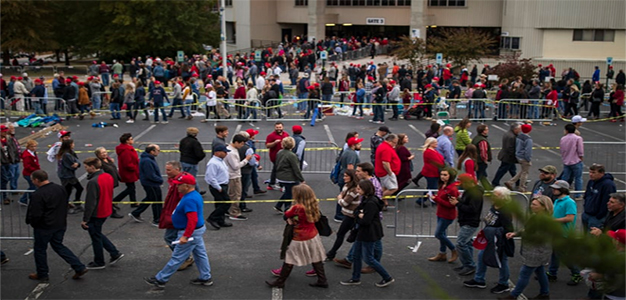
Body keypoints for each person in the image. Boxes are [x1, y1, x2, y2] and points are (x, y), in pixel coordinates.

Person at [145, 173, 214, 289]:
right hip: (196, 231)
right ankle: (205, 277)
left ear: (186, 186)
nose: (177, 187)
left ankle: (161, 279)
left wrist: (186, 236)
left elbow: (192, 219)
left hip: (189, 232)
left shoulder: (189, 199)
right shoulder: (194, 195)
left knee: (178, 257)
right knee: (200, 254)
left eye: (179, 185)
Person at [25, 170, 88, 281]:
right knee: (58, 245)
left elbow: (36, 213)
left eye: (32, 180)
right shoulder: (60, 188)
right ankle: (78, 266)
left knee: (40, 250)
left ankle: (42, 273)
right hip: (59, 223)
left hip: (44, 226)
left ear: (36, 180)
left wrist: (33, 223)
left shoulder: (38, 194)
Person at [266, 184, 328, 289]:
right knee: (315, 257)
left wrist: (289, 218)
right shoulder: (313, 204)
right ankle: (322, 279)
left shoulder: (297, 207)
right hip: (313, 235)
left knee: (289, 259)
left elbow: (286, 214)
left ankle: (280, 281)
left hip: (300, 236)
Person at [340, 179, 395, 288]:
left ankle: (387, 277)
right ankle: (355, 278)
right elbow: (357, 211)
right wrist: (359, 214)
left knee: (368, 258)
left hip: (369, 233)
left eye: (359, 188)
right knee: (356, 255)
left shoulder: (370, 203)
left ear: (365, 190)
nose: (357, 190)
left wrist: (359, 216)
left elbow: (366, 221)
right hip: (365, 232)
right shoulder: (367, 199)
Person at [501, 195, 554, 300]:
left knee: (525, 273)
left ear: (544, 207)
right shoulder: (536, 216)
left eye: (534, 204)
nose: (531, 206)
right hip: (536, 250)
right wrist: (515, 233)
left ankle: (513, 296)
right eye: (532, 204)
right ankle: (545, 293)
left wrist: (522, 234)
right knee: (540, 271)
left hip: (537, 251)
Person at [463, 187, 514, 294]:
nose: (493, 197)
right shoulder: (494, 206)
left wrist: (493, 231)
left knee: (502, 261)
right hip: (489, 239)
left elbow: (508, 228)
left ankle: (504, 283)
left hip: (500, 241)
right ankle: (479, 279)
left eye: (496, 195)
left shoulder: (505, 211)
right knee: (481, 256)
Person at [81, 158, 124, 270]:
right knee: (97, 233)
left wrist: (85, 219)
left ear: (92, 167)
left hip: (97, 212)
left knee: (95, 236)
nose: (85, 169)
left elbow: (91, 202)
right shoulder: (107, 176)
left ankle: (99, 261)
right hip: (106, 209)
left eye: (86, 167)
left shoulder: (93, 182)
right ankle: (114, 252)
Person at [159, 161, 194, 270]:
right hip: (174, 215)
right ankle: (185, 257)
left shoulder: (179, 185)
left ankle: (184, 258)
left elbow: (183, 202)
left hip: (176, 217)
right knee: (173, 237)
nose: (166, 172)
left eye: (169, 170)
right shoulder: (176, 182)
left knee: (169, 237)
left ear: (177, 170)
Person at [546, 180, 581, 286]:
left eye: (556, 188)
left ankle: (576, 273)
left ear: (563, 190)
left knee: (564, 255)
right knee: (555, 254)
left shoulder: (569, 202)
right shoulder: (557, 200)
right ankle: (552, 273)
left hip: (564, 234)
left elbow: (570, 218)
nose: (553, 190)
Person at [451, 174, 484, 276]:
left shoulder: (475, 194)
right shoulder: (470, 191)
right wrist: (459, 201)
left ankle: (469, 265)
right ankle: (467, 264)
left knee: (461, 243)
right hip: (466, 221)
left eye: (462, 184)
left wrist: (457, 203)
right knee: (467, 242)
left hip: (470, 222)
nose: (461, 186)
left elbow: (472, 209)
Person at [326, 169, 361, 261]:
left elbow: (344, 202)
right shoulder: (346, 186)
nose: (344, 178)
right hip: (348, 214)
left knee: (341, 234)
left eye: (346, 176)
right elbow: (342, 195)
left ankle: (332, 253)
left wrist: (340, 199)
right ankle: (333, 253)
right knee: (347, 234)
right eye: (344, 176)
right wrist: (341, 198)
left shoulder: (354, 190)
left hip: (351, 216)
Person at [427, 168, 460, 263]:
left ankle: (453, 249)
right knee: (442, 233)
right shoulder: (443, 185)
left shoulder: (451, 189)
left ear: (450, 176)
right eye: (441, 174)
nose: (442, 176)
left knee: (438, 234)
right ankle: (442, 253)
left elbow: (451, 205)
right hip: (440, 213)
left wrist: (436, 199)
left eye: (445, 175)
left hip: (447, 215)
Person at [129, 144, 163, 226]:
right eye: (158, 150)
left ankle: (136, 213)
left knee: (150, 198)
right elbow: (150, 175)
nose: (159, 152)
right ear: (152, 151)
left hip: (150, 183)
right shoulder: (147, 161)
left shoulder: (148, 159)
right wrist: (160, 180)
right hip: (151, 183)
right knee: (156, 201)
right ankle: (156, 220)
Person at [224, 134, 252, 221]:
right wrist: (246, 159)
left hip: (233, 175)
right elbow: (235, 166)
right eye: (241, 144)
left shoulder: (232, 149)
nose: (242, 146)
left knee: (233, 194)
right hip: (234, 176)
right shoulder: (231, 153)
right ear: (236, 142)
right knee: (236, 195)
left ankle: (230, 210)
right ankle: (234, 212)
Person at [274, 137, 305, 213]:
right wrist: (301, 179)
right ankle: (287, 209)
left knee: (288, 192)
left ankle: (279, 205)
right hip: (289, 178)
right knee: (290, 194)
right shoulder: (292, 155)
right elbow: (296, 169)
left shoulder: (279, 152)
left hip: (280, 176)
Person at [205, 145, 233, 230]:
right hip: (218, 186)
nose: (226, 154)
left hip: (223, 184)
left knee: (219, 203)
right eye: (224, 152)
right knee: (226, 203)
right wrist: (218, 187)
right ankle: (212, 218)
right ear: (217, 153)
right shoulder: (213, 163)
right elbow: (210, 177)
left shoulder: (220, 161)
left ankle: (220, 220)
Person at [582, 164, 617, 231]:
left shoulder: (608, 185)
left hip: (597, 218)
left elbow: (607, 201)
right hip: (587, 214)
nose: (591, 174)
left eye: (593, 172)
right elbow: (587, 195)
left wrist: (599, 215)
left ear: (601, 173)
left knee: (593, 238)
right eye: (590, 172)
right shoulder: (591, 182)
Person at [336, 136, 362, 222]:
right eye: (358, 143)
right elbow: (350, 167)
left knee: (343, 195)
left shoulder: (347, 151)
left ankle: (339, 214)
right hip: (348, 178)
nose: (360, 145)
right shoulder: (352, 154)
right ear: (354, 145)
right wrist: (354, 179)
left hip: (343, 176)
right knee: (346, 196)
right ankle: (340, 215)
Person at [94, 147, 123, 219]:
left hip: (113, 181)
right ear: (98, 155)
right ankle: (112, 212)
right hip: (107, 183)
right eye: (102, 153)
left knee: (110, 196)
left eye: (105, 152)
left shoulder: (108, 160)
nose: (105, 154)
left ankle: (111, 207)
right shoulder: (100, 163)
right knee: (107, 197)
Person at [56, 139, 83, 214]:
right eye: (72, 143)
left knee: (70, 190)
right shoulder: (66, 155)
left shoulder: (71, 152)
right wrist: (76, 165)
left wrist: (77, 164)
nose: (74, 144)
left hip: (68, 175)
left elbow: (77, 161)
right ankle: (69, 205)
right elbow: (71, 165)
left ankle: (69, 204)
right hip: (67, 176)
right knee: (73, 189)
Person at [374, 134, 401, 208]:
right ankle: (378, 200)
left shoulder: (383, 146)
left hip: (382, 172)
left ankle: (383, 203)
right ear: (390, 141)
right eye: (394, 142)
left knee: (384, 188)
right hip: (386, 173)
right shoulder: (386, 149)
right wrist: (390, 173)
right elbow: (385, 162)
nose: (395, 145)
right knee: (393, 188)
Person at [113, 133, 139, 207]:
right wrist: (134, 167)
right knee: (130, 188)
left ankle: (133, 202)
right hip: (128, 172)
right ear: (127, 141)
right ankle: (116, 200)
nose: (132, 140)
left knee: (131, 187)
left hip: (128, 172)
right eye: (131, 139)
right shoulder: (126, 150)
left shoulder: (126, 149)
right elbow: (127, 163)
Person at [505, 124, 533, 192]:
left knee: (522, 170)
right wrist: (528, 159)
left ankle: (511, 182)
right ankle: (522, 186)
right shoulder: (528, 139)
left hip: (518, 155)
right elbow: (528, 150)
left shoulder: (519, 136)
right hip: (524, 157)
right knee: (525, 172)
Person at [492, 123, 520, 187]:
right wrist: (515, 156)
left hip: (506, 156)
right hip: (508, 157)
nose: (520, 131)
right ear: (515, 129)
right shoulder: (512, 137)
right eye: (519, 129)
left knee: (512, 170)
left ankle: (517, 181)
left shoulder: (508, 134)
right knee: (503, 170)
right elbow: (510, 148)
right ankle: (495, 181)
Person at [560, 124, 584, 198]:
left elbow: (562, 149)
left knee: (565, 177)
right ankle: (578, 194)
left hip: (566, 160)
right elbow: (580, 149)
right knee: (578, 178)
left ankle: (562, 192)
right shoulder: (578, 138)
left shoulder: (563, 139)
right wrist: (581, 156)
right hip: (576, 160)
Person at [418, 137, 445, 207]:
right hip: (431, 173)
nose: (437, 144)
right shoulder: (429, 152)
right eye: (435, 142)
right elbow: (438, 161)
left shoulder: (432, 150)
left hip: (432, 172)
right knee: (432, 187)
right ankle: (423, 200)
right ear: (430, 144)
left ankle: (424, 199)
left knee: (431, 187)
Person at [179, 127, 206, 192]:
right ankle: (195, 191)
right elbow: (199, 154)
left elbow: (180, 149)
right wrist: (198, 159)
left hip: (184, 161)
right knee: (192, 178)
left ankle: (193, 190)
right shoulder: (195, 142)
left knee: (187, 177)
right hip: (192, 163)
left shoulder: (183, 140)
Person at [266, 122, 289, 191]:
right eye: (277, 127)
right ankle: (276, 184)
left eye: (280, 127)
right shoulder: (271, 136)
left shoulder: (286, 134)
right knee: (278, 170)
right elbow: (267, 145)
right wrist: (274, 143)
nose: (278, 129)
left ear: (283, 127)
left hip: (284, 156)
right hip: (275, 156)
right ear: (274, 128)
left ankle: (274, 183)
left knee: (278, 170)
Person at [1, 125, 20, 205]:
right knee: (3, 179)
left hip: (8, 162)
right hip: (1, 163)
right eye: (3, 131)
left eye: (6, 131)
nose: (5, 132)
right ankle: (4, 197)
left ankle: (4, 195)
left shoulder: (9, 139)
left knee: (8, 178)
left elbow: (13, 149)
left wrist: (14, 158)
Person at [19, 140, 40, 206]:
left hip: (33, 173)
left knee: (33, 187)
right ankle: (23, 199)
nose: (34, 148)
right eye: (32, 146)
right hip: (29, 174)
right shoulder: (27, 155)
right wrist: (36, 170)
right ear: (28, 147)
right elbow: (27, 166)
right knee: (33, 187)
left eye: (35, 146)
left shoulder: (32, 153)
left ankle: (28, 199)